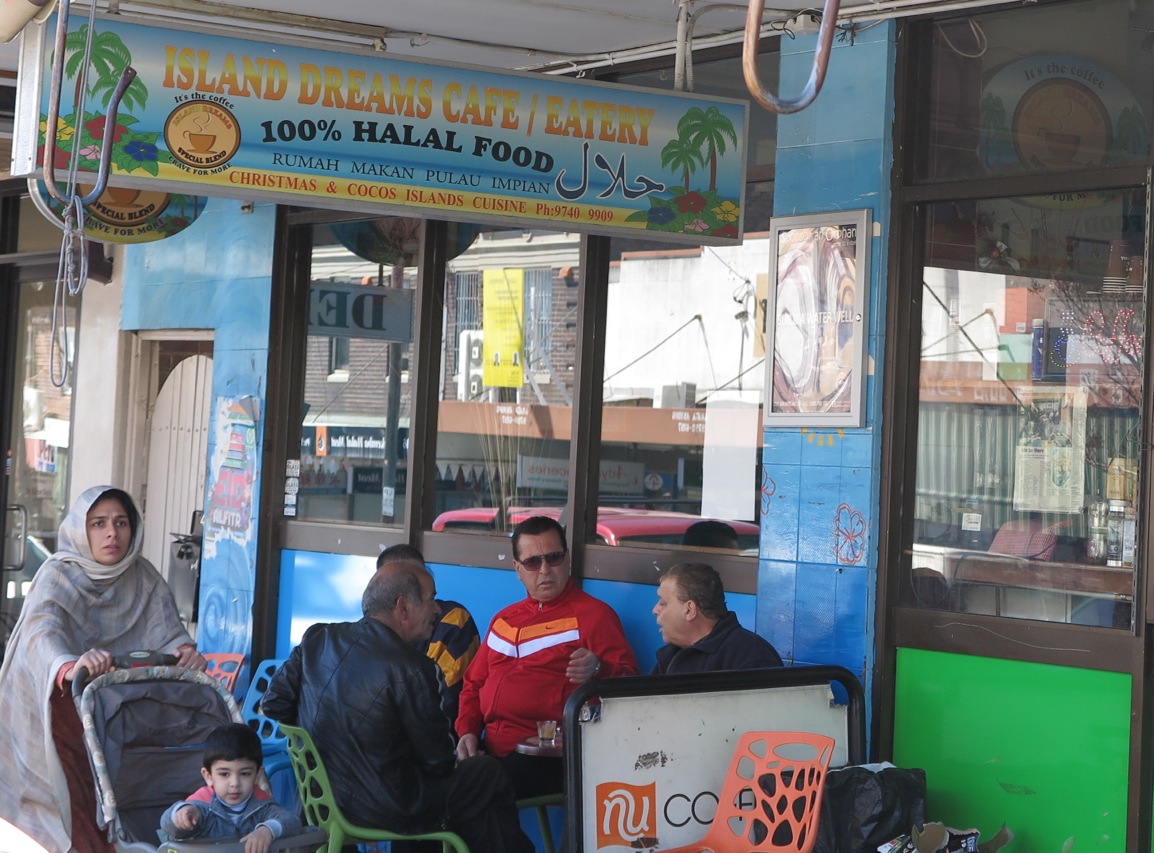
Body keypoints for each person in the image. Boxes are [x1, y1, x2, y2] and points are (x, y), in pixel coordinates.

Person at [261, 548, 532, 853]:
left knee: (478, 800)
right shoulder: (413, 669)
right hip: (386, 809)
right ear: (403, 608)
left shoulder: (317, 638)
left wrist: (330, 740)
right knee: (486, 772)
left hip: (320, 800)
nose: (437, 610)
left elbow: (274, 703)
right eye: (430, 599)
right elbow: (439, 761)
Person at [0, 485, 206, 853]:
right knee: (68, 807)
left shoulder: (143, 575)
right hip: (59, 708)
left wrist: (185, 653)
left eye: (120, 523)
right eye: (98, 524)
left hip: (115, 715)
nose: (112, 533)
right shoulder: (57, 575)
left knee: (123, 803)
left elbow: (167, 632)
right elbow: (41, 632)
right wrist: (70, 664)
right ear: (81, 530)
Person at [456, 515, 638, 799]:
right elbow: (473, 685)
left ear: (567, 559)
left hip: (550, 756)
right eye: (532, 562)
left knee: (474, 789)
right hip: (492, 750)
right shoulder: (503, 620)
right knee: (434, 779)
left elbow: (631, 685)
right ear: (517, 568)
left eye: (553, 558)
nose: (544, 570)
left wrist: (599, 669)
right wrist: (467, 732)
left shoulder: (594, 616)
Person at [159, 723, 302, 853]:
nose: (235, 783)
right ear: (208, 776)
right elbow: (170, 828)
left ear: (257, 775)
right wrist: (179, 815)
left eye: (245, 774)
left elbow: (292, 821)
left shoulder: (263, 806)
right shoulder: (201, 808)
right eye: (224, 774)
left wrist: (267, 830)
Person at [378, 544, 480, 724]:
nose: (410, 588)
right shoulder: (367, 630)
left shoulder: (451, 622)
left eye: (416, 580)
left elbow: (441, 709)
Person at [652, 562, 784, 674]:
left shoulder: (751, 658)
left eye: (663, 603)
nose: (655, 610)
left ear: (689, 610)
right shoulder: (672, 655)